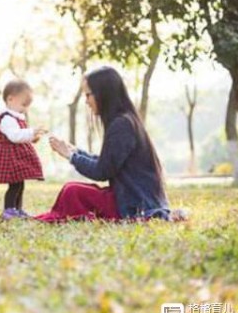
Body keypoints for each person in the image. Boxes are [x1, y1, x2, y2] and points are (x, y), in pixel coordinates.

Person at [34, 66, 174, 222]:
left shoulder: (122, 125)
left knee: (71, 191)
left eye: (88, 95)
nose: (86, 101)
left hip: (134, 205)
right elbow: (107, 162)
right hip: (128, 197)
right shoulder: (124, 121)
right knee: (72, 189)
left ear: (103, 94)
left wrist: (71, 156)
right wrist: (76, 152)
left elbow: (102, 171)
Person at [0, 79, 47, 220]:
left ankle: (18, 209)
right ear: (10, 99)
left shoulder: (16, 117)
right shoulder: (6, 118)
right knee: (14, 185)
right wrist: (31, 132)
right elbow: (15, 136)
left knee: (20, 184)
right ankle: (9, 209)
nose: (25, 109)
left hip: (16, 158)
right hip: (9, 159)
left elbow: (20, 135)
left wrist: (32, 137)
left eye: (27, 106)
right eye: (23, 104)